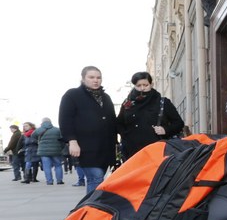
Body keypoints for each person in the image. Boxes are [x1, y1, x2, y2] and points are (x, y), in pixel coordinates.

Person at [59, 66, 117, 194]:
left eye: (98, 77)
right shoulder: (72, 95)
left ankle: (93, 208)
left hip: (105, 147)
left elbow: (112, 121)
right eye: (91, 77)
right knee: (95, 177)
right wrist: (72, 141)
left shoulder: (105, 97)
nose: (95, 80)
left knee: (99, 179)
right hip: (85, 147)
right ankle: (91, 210)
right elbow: (65, 120)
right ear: (83, 78)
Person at [117, 71, 186, 159]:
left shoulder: (162, 102)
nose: (142, 88)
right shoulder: (127, 104)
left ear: (151, 84)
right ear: (134, 86)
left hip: (157, 150)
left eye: (145, 85)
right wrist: (126, 136)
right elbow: (119, 123)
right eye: (138, 86)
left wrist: (165, 129)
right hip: (132, 152)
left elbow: (179, 123)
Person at [34, 118, 65, 185]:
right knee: (58, 165)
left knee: (46, 166)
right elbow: (63, 140)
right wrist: (60, 148)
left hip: (43, 151)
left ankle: (49, 181)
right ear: (50, 122)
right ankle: (59, 180)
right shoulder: (57, 130)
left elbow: (33, 136)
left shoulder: (38, 130)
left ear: (42, 122)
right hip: (56, 150)